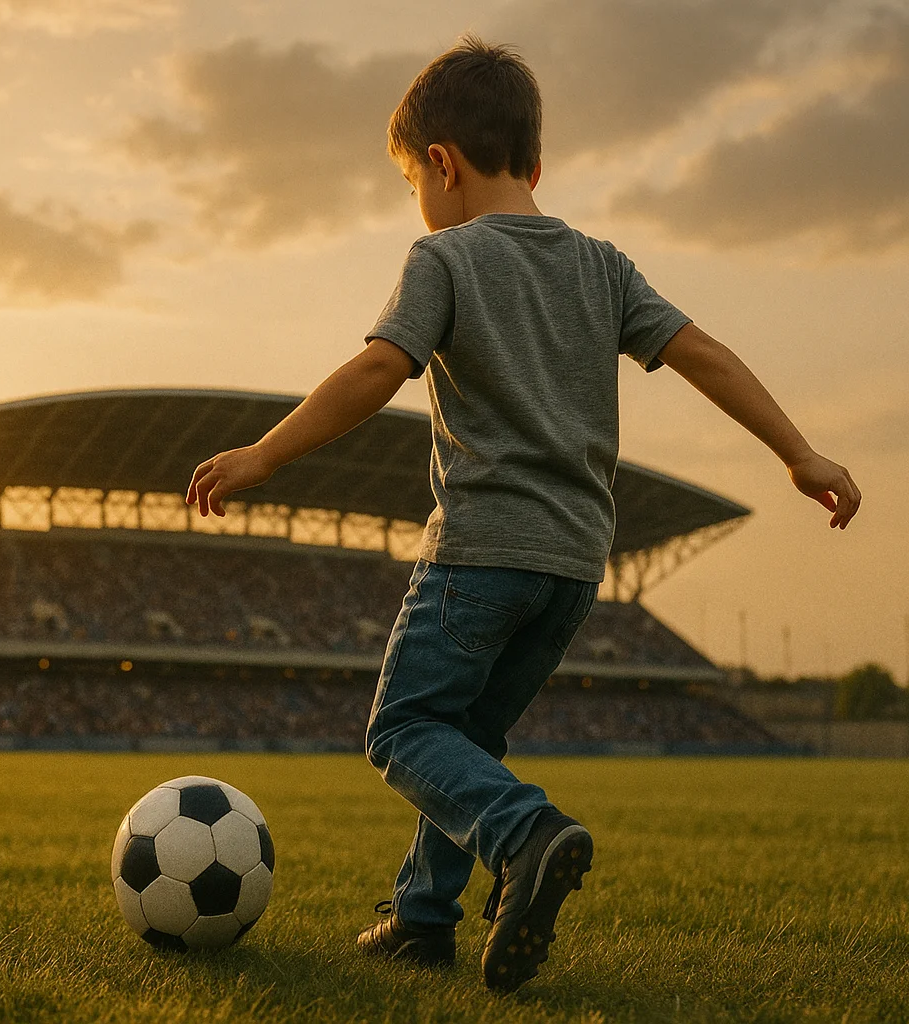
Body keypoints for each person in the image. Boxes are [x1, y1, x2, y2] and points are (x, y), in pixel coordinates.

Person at [186, 36, 860, 993]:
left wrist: (263, 453)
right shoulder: (603, 267)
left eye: (413, 181)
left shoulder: (446, 258)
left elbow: (381, 368)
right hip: (576, 567)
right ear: (535, 164)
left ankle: (526, 835)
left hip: (480, 552)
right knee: (469, 740)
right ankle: (422, 919)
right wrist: (800, 452)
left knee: (406, 730)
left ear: (441, 164)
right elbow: (703, 352)